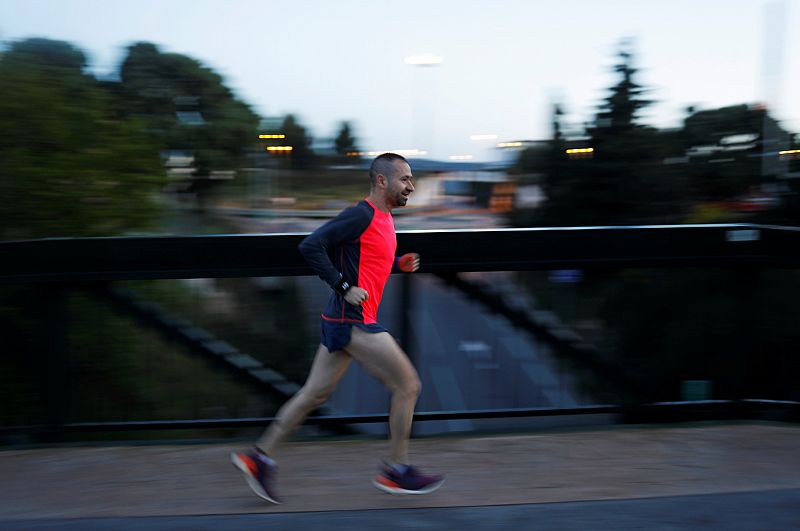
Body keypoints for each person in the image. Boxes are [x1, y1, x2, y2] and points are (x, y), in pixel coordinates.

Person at [231, 152, 444, 503]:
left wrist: (396, 263)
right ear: (381, 181)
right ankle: (396, 469)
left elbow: (367, 262)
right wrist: (342, 286)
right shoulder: (360, 215)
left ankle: (258, 457)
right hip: (353, 320)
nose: (411, 185)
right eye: (404, 178)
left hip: (341, 320)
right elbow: (310, 246)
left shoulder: (385, 218)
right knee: (408, 385)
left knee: (314, 394)